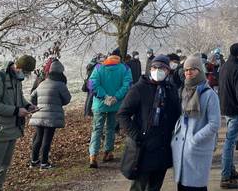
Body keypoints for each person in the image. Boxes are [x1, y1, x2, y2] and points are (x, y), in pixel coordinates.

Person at [117, 54, 180, 191]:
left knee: (155, 186)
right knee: (139, 186)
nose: (158, 70)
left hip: (163, 147)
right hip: (143, 148)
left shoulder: (171, 90)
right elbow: (123, 114)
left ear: (168, 71)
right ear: (149, 69)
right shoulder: (139, 89)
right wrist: (137, 135)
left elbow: (177, 115)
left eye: (162, 68)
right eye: (154, 67)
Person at [0, 55, 37, 190]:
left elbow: (18, 97)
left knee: (4, 166)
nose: (26, 75)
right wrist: (16, 111)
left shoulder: (16, 79)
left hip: (12, 129)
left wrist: (28, 106)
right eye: (26, 72)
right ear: (18, 67)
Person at [172, 55, 220, 191]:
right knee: (182, 186)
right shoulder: (184, 91)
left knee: (196, 187)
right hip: (182, 150)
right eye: (186, 70)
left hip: (198, 149)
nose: (188, 72)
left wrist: (194, 140)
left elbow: (214, 124)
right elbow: (181, 118)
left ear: (200, 71)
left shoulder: (209, 95)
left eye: (193, 69)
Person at [88, 50, 132, 168]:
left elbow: (92, 84)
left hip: (99, 104)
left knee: (97, 129)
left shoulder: (98, 68)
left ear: (109, 56)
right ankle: (108, 153)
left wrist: (104, 96)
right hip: (115, 105)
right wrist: (116, 97)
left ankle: (93, 156)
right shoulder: (125, 69)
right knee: (111, 128)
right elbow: (127, 85)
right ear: (119, 58)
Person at [29, 59, 71, 169]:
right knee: (47, 139)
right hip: (51, 117)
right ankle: (44, 162)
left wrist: (37, 105)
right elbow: (67, 99)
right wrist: (58, 102)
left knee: (38, 138)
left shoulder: (42, 83)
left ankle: (34, 161)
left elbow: (32, 96)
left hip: (39, 114)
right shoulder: (61, 85)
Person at [219, 43, 238, 189]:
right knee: (229, 143)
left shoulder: (225, 66)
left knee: (230, 141)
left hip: (226, 107)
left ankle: (230, 169)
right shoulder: (237, 69)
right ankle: (225, 176)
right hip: (235, 108)